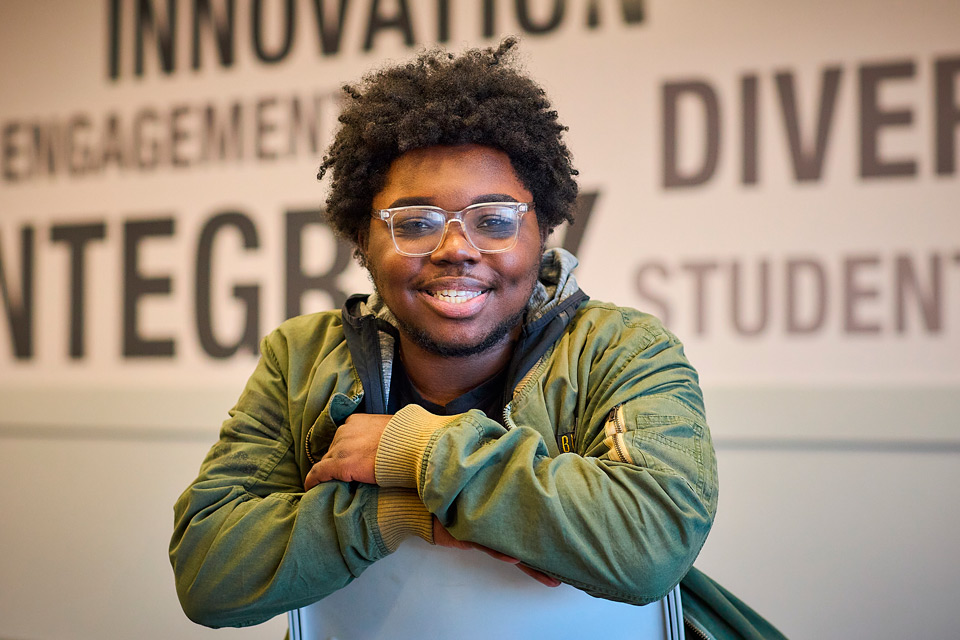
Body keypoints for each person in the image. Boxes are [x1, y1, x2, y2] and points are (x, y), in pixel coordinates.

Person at [170, 38, 783, 639]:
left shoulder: (625, 349)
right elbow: (209, 573)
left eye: (493, 220)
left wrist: (412, 449)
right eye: (415, 222)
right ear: (362, 238)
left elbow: (648, 542)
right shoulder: (301, 357)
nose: (456, 249)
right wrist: (398, 512)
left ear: (542, 230)